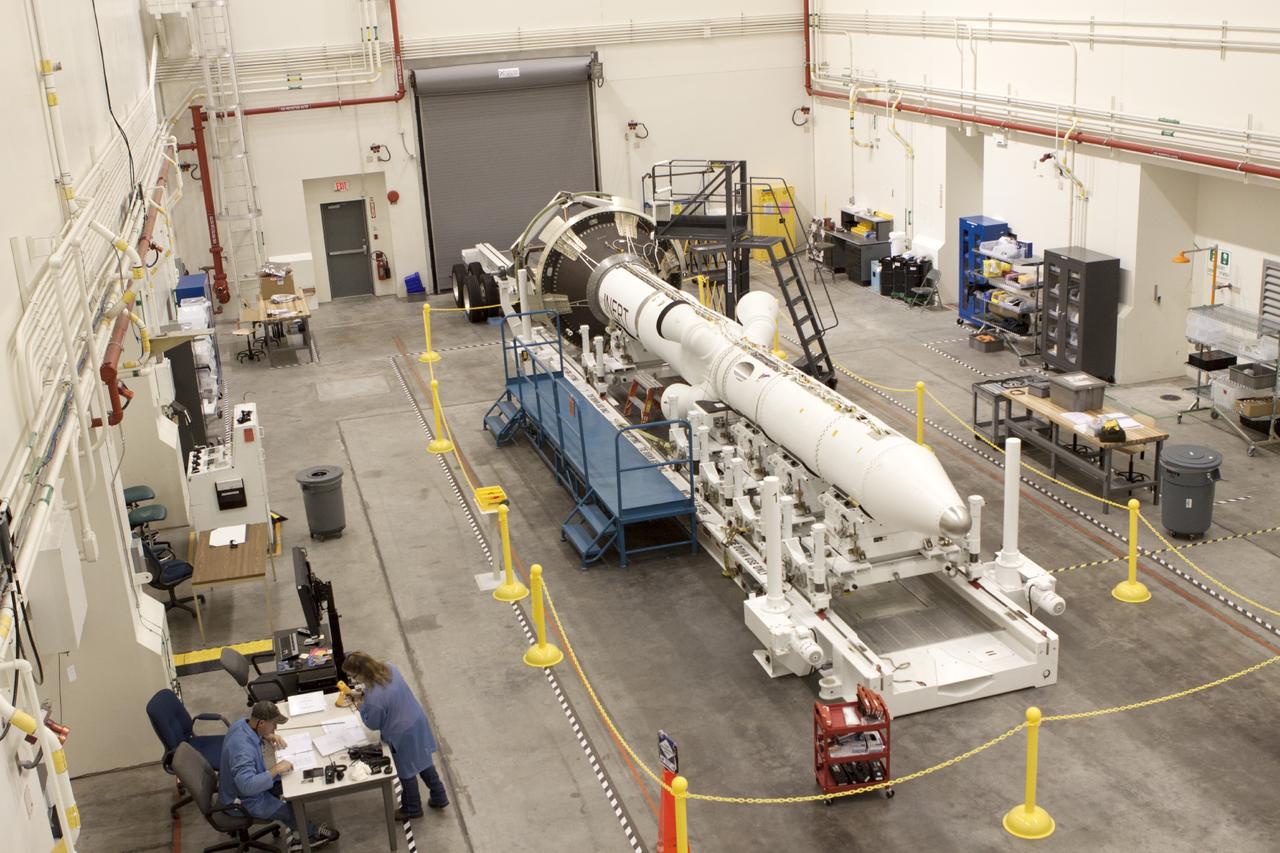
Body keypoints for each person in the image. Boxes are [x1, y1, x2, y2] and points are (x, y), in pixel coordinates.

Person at [219, 700, 340, 851]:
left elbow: (252, 737)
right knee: (288, 809)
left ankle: (297, 825)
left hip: (247, 784)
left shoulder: (241, 724)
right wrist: (275, 769)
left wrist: (267, 736)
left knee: (291, 784)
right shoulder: (242, 750)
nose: (275, 728)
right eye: (273, 724)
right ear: (261, 723)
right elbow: (247, 787)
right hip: (241, 801)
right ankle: (308, 835)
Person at [342, 651, 449, 819]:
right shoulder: (389, 668)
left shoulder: (374, 699)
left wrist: (361, 706)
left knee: (406, 771)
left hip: (400, 735)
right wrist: (364, 695)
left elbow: (373, 723)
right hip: (417, 722)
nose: (354, 681)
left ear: (361, 672)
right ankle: (440, 796)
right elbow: (389, 695)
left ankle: (412, 808)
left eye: (354, 676)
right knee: (424, 760)